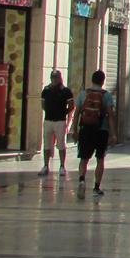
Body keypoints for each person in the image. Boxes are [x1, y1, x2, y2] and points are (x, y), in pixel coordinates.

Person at [74, 70, 117, 200]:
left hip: (86, 129)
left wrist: (74, 130)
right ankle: (96, 187)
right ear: (103, 81)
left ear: (92, 80)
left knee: (84, 158)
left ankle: (82, 180)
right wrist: (113, 133)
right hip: (101, 131)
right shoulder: (107, 96)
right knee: (100, 159)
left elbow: (77, 113)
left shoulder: (83, 94)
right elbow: (110, 116)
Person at [38, 69, 73, 177]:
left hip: (60, 121)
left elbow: (71, 105)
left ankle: (62, 166)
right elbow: (43, 105)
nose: (54, 79)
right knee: (47, 144)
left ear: (60, 78)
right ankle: (45, 165)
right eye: (52, 77)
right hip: (48, 120)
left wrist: (64, 112)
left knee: (61, 144)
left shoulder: (66, 91)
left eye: (56, 77)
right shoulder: (46, 90)